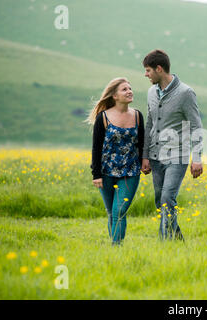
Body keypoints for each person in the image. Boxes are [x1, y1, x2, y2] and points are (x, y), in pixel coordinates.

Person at [141, 49, 203, 241]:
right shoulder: (151, 92)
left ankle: (165, 243)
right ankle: (177, 241)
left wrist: (197, 158)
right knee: (160, 201)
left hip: (177, 156)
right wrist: (144, 155)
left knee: (168, 198)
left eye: (148, 70)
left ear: (159, 69)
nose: (146, 74)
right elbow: (149, 124)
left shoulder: (186, 93)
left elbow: (196, 125)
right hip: (155, 155)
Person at [86, 77, 144, 245]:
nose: (129, 91)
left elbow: (142, 143)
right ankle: (115, 246)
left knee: (119, 210)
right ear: (114, 96)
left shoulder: (138, 116)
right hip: (106, 172)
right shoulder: (103, 117)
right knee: (112, 212)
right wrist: (96, 174)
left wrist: (145, 161)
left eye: (130, 88)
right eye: (124, 89)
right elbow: (96, 148)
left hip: (131, 171)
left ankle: (116, 247)